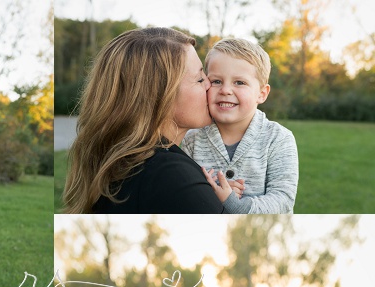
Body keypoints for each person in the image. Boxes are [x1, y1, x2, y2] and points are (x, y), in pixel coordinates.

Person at [63, 27, 225, 214]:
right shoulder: (172, 176)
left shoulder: (124, 164)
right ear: (161, 96)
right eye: (199, 79)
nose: (210, 85)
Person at [182, 37, 298, 213]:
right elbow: (183, 193)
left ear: (261, 93)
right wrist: (209, 193)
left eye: (239, 82)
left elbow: (283, 200)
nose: (226, 90)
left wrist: (235, 205)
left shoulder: (278, 139)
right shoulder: (192, 138)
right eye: (216, 81)